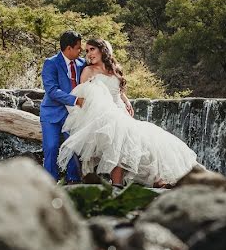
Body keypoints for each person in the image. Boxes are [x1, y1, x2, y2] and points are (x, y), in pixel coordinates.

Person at [57, 38, 199, 187]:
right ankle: (119, 183)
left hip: (120, 110)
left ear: (102, 50)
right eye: (86, 51)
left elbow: (117, 89)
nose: (89, 54)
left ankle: (157, 179)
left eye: (92, 49)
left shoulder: (115, 69)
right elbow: (84, 96)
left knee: (142, 139)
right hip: (101, 114)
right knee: (119, 138)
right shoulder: (88, 71)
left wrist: (125, 99)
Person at [40, 30, 86, 182]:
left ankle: (73, 181)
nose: (81, 50)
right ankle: (49, 183)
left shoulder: (82, 64)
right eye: (78, 48)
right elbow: (52, 90)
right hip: (51, 114)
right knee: (51, 147)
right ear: (68, 48)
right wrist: (75, 100)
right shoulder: (50, 63)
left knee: (74, 147)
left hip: (73, 115)